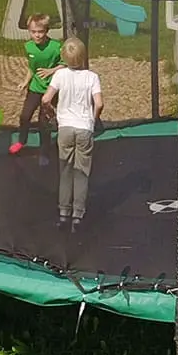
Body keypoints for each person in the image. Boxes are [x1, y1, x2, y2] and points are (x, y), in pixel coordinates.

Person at [41, 36, 102, 231]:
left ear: (64, 57)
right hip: (84, 127)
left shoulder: (59, 75)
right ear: (83, 56)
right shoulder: (92, 77)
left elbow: (45, 99)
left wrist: (52, 113)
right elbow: (99, 103)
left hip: (65, 127)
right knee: (82, 172)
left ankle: (63, 213)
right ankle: (78, 215)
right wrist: (93, 118)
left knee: (65, 170)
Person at [9, 13, 63, 162]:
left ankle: (44, 152)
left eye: (40, 32)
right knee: (24, 116)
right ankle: (22, 140)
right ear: (29, 31)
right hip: (34, 88)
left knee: (43, 123)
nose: (37, 35)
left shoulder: (56, 47)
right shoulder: (29, 47)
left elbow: (65, 65)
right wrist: (26, 81)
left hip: (50, 90)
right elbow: (32, 68)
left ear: (46, 31)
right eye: (33, 32)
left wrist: (51, 71)